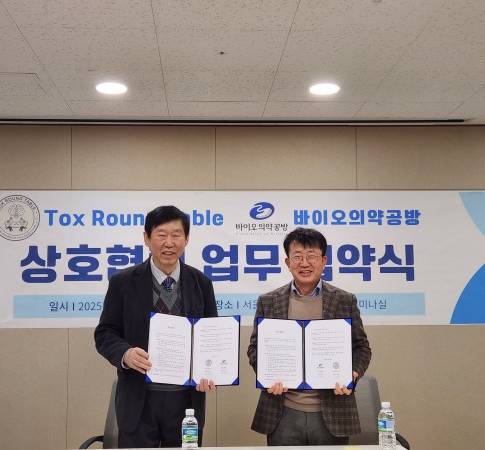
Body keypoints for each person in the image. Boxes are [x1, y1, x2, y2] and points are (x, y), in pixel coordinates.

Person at [95, 205, 217, 448]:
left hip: (186, 403)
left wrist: (210, 370)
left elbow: (211, 336)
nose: (169, 243)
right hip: (139, 401)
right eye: (161, 235)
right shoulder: (123, 282)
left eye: (176, 234)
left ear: (186, 239)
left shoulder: (201, 283)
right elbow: (105, 333)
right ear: (147, 238)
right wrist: (125, 353)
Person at [247, 227, 372, 445]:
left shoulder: (344, 300)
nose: (304, 263)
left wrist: (352, 373)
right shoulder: (268, 301)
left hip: (333, 411)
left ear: (323, 261)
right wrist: (267, 376)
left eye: (311, 256)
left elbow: (362, 348)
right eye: (297, 256)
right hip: (282, 412)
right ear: (288, 263)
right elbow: (254, 349)